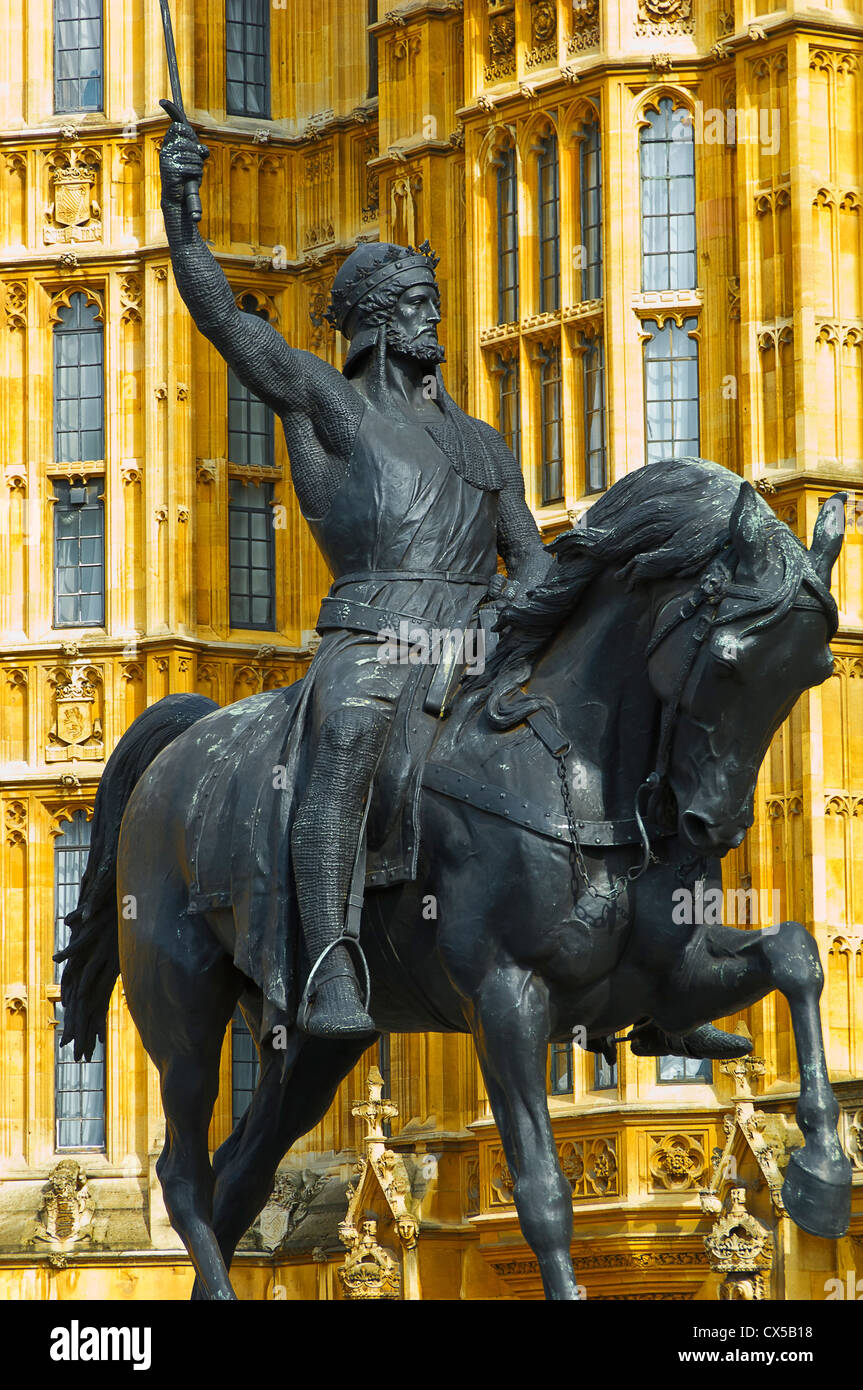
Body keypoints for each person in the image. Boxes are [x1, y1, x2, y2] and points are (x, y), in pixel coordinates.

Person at [159, 119, 549, 1039]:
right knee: (345, 741)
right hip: (373, 639)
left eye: (433, 301)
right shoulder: (331, 405)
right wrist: (182, 215)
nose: (432, 319)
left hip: (474, 643)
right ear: (374, 320)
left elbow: (528, 559)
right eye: (414, 305)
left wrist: (541, 600)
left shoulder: (484, 445)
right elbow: (224, 321)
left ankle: (641, 952)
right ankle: (332, 961)